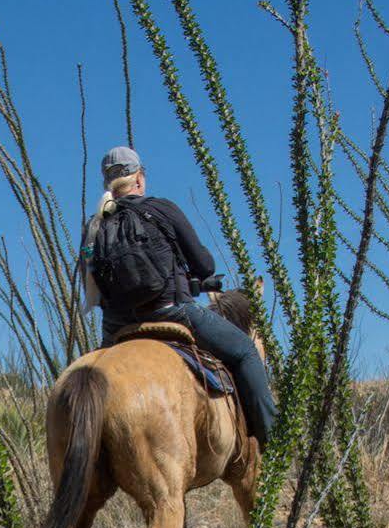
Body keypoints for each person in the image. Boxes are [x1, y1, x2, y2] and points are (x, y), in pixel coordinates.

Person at [79, 146, 277, 447]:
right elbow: (204, 265)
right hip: (171, 312)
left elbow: (91, 287)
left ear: (107, 184)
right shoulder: (160, 209)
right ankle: (274, 442)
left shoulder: (93, 227)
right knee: (246, 351)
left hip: (116, 328)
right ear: (139, 180)